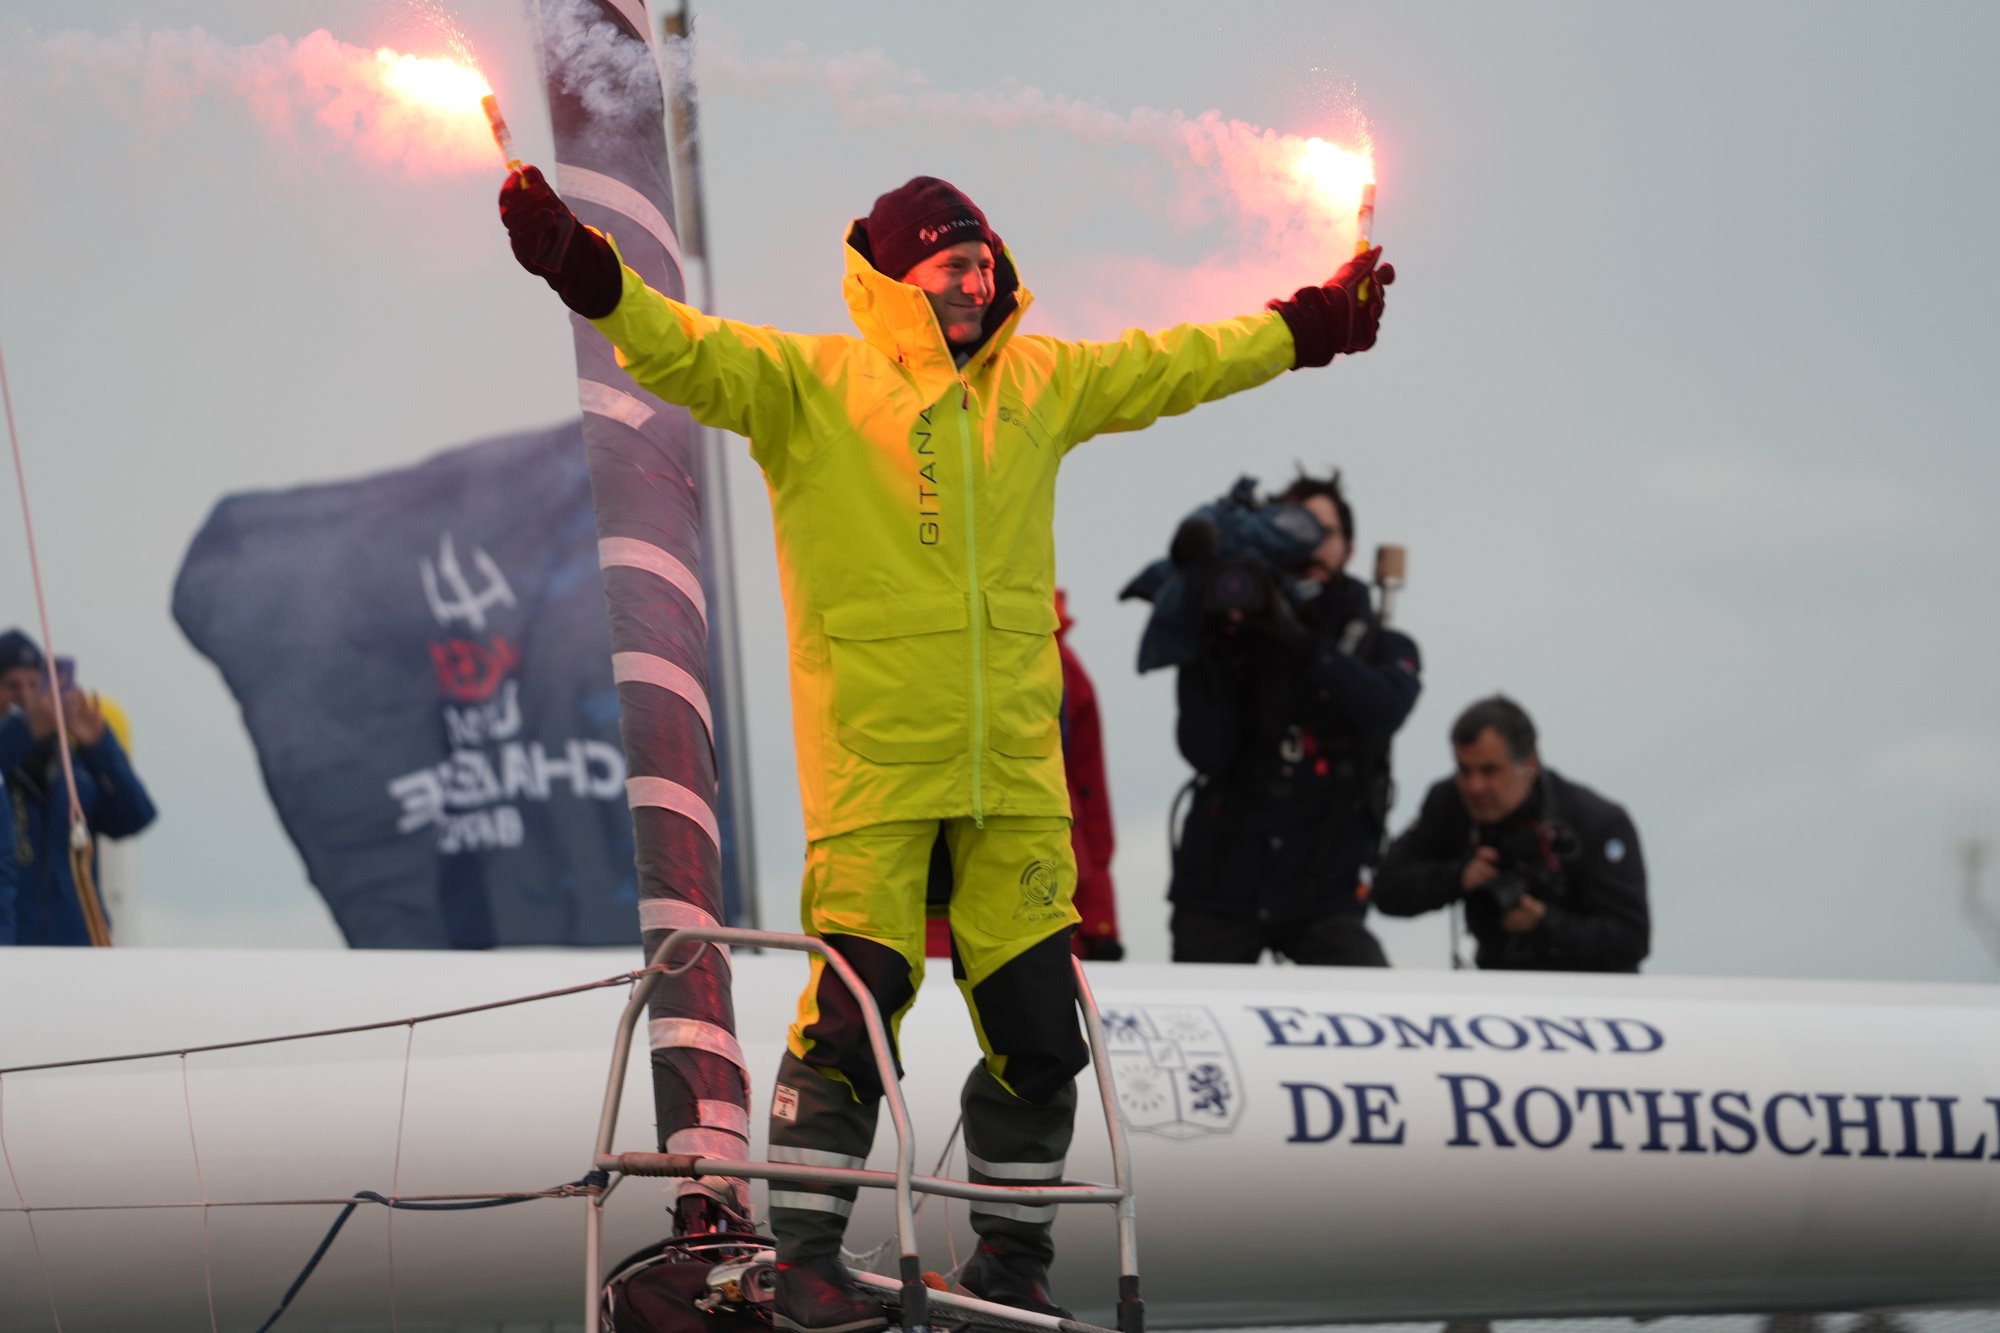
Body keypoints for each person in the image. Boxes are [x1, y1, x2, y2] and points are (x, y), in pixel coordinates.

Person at [500, 168, 1392, 1330]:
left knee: (1041, 1030)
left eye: (981, 262)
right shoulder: (807, 383)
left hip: (1014, 778)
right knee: (855, 1008)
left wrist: (1307, 326)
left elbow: (1177, 362)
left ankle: (1012, 1259)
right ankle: (806, 1259)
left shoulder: (1043, 380)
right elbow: (675, 347)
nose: (974, 281)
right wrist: (578, 264)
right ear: (894, 277)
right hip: (874, 768)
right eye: (948, 264)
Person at [1160, 471, 1421, 965]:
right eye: (1293, 529)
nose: (1310, 545)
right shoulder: (1235, 631)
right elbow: (1204, 749)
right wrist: (1216, 649)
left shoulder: (1380, 644)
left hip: (1324, 890)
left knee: (1369, 998)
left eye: (1325, 532)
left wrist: (1301, 643)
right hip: (1221, 884)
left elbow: (1384, 708)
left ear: (1350, 548)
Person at [1372, 695, 1648, 972]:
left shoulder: (1596, 822)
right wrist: (1458, 877)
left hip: (1589, 990)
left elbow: (1632, 940)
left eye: (1489, 771)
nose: (1475, 786)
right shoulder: (1450, 804)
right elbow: (1386, 889)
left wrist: (1544, 922)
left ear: (1530, 766)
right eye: (1464, 770)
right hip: (1496, 981)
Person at [923, 589, 1123, 962]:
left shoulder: (1064, 667)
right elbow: (1090, 799)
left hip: (1037, 899)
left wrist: (1099, 920)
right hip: (1017, 900)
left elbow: (1090, 799)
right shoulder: (1060, 663)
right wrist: (1100, 921)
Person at [0, 629, 158, 946]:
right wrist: (25, 731)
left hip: (77, 952)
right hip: (13, 951)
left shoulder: (76, 769)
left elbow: (135, 816)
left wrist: (99, 745)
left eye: (35, 685)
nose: (27, 697)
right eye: (12, 686)